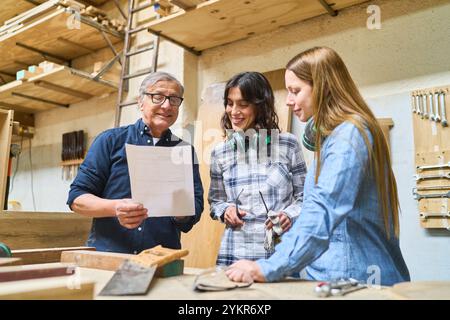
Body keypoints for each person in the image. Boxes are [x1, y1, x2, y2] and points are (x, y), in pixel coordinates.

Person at [226, 47, 410, 286]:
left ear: (323, 87)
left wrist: (268, 267)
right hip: (331, 275)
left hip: (354, 278)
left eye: (295, 91)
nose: (289, 101)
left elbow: (324, 208)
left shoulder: (350, 134)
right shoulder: (333, 137)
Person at [67, 72, 204, 254]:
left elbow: (195, 207)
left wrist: (181, 211)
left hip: (161, 258)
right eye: (158, 97)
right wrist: (116, 208)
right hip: (111, 255)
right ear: (141, 102)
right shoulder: (110, 141)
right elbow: (77, 198)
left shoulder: (184, 151)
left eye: (174, 99)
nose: (166, 105)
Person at [209, 71, 307, 266]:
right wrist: (225, 210)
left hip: (279, 255)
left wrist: (289, 215)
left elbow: (306, 198)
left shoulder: (288, 144)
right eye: (230, 103)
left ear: (260, 107)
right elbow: (215, 201)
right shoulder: (220, 152)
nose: (234, 111)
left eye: (243, 104)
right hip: (234, 255)